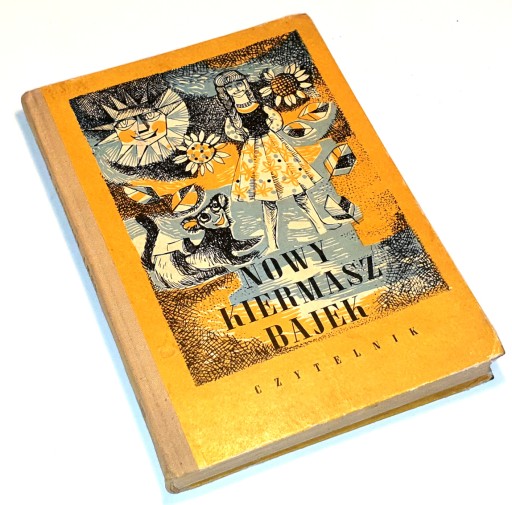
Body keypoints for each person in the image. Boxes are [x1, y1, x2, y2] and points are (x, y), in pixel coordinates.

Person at [214, 70, 336, 253]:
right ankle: (273, 244)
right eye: (230, 87)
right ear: (226, 92)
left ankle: (320, 227)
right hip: (255, 154)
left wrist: (269, 128)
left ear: (245, 84)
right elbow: (233, 133)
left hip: (274, 147)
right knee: (268, 200)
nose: (236, 89)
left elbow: (276, 121)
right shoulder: (233, 117)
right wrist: (245, 135)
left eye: (238, 84)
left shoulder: (261, 106)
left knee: (299, 191)